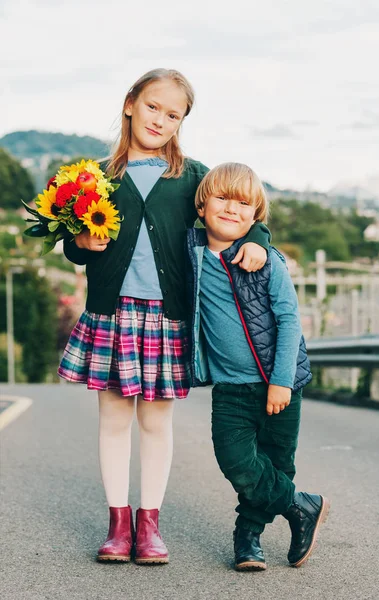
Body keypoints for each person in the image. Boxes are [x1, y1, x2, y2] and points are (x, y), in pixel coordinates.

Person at [58, 69, 271, 565]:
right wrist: (79, 243)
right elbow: (74, 243)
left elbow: (239, 213)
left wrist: (258, 242)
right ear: (130, 103)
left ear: (181, 123)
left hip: (166, 319)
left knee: (155, 422)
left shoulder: (193, 177)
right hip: (112, 314)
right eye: (153, 107)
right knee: (113, 420)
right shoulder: (94, 178)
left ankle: (150, 525)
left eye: (172, 115)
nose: (160, 120)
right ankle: (118, 523)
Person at [186, 162, 330, 571]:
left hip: (279, 383)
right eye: (223, 198)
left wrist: (281, 382)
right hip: (230, 387)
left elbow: (289, 321)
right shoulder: (191, 251)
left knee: (276, 462)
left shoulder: (267, 261)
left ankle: (247, 538)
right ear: (201, 205)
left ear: (255, 216)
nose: (232, 208)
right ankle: (302, 505)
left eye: (244, 203)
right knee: (236, 461)